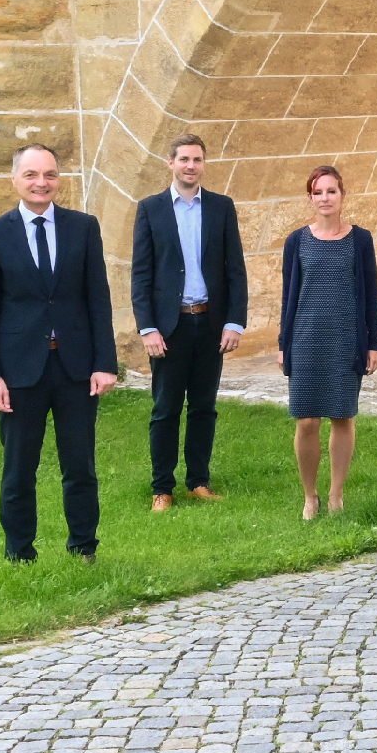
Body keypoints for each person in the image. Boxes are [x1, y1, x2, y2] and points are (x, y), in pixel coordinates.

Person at [0, 143, 117, 563]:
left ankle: (84, 548)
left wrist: (104, 362)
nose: (42, 183)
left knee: (80, 468)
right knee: (19, 471)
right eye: (32, 175)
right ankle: (20, 555)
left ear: (58, 179)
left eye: (50, 174)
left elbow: (98, 299)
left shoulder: (83, 227)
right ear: (15, 180)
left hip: (75, 369)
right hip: (19, 374)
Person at [131, 133, 248, 512]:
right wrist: (148, 328)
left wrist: (234, 322)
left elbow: (236, 271)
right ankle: (161, 488)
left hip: (210, 325)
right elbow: (141, 275)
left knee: (203, 407)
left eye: (197, 160)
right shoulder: (151, 209)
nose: (190, 166)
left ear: (203, 164)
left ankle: (198, 481)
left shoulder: (221, 207)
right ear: (171, 163)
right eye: (184, 159)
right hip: (170, 327)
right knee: (165, 408)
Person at [278, 165, 377, 521]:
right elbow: (288, 296)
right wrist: (283, 343)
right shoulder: (296, 241)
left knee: (342, 416)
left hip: (346, 339)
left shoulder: (360, 240)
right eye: (318, 192)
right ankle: (311, 496)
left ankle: (336, 494)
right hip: (305, 339)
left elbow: (371, 294)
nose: (325, 198)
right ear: (311, 197)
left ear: (342, 195)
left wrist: (374, 343)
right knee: (306, 421)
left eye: (331, 191)